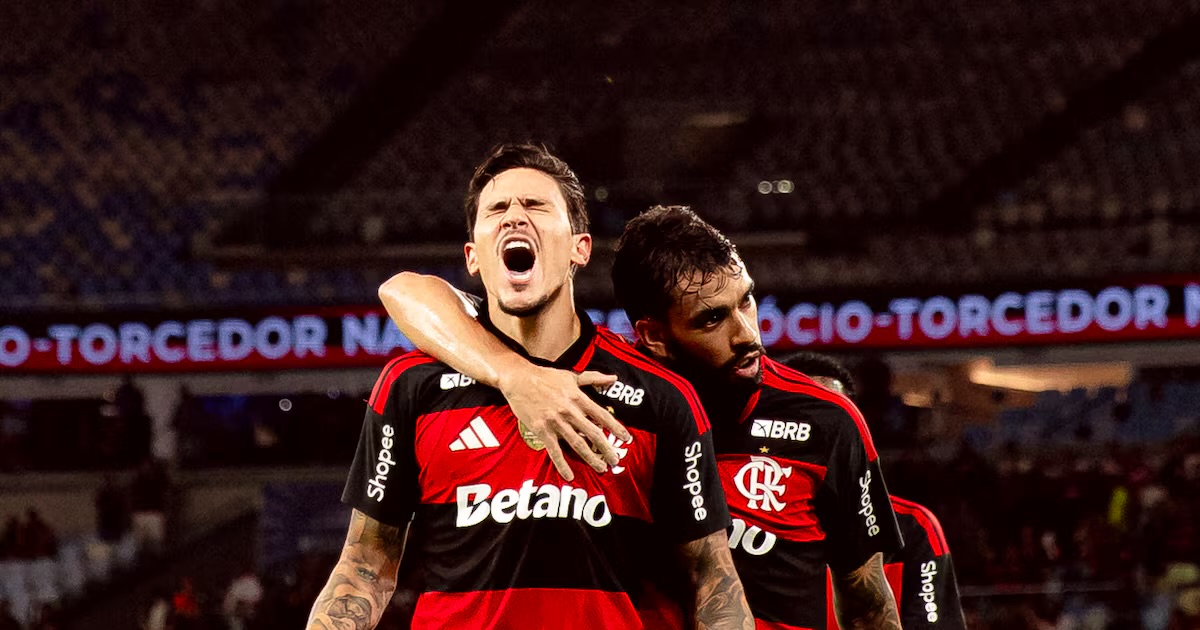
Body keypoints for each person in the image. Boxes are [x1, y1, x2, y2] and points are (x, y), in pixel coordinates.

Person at [379, 205, 904, 629]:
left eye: (746, 301)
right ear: (653, 334)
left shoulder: (828, 421)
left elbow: (867, 607)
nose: (747, 334)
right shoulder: (592, 392)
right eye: (712, 319)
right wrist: (512, 372)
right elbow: (406, 292)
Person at [309, 145, 751, 630]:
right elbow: (365, 566)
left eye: (536, 206)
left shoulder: (660, 394)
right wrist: (517, 376)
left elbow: (710, 578)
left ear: (580, 248)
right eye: (497, 209)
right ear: (473, 257)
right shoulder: (412, 385)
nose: (514, 217)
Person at [781, 351, 968, 630]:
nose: (819, 433)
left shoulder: (912, 529)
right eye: (802, 419)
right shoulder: (737, 526)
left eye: (834, 418)